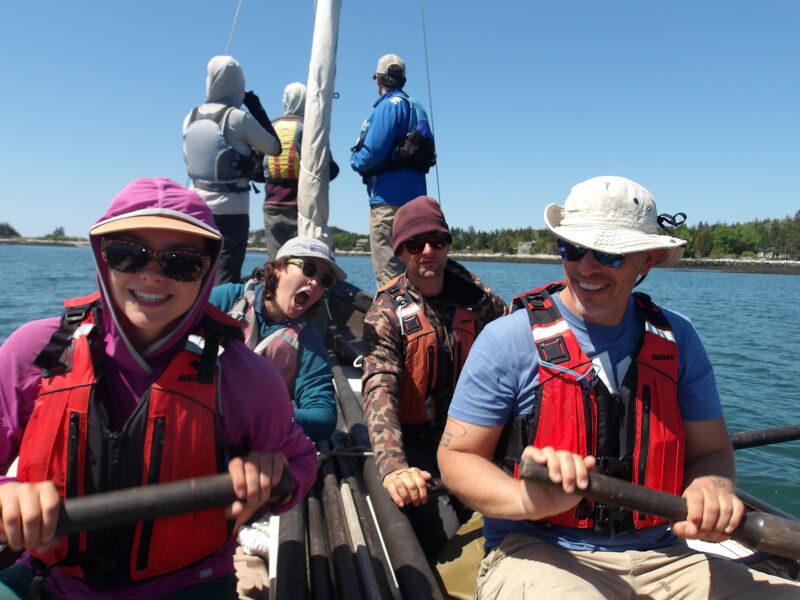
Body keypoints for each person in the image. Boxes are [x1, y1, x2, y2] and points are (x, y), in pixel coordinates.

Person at [437, 176, 800, 599]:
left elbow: (712, 452)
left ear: (646, 260)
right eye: (572, 249)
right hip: (539, 552)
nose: (586, 267)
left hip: (668, 557)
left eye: (608, 253)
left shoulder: (678, 339)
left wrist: (710, 487)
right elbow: (457, 457)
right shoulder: (506, 340)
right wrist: (529, 500)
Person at [0, 177, 318, 600]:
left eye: (181, 261)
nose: (151, 275)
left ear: (207, 270)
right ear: (103, 257)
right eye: (127, 254)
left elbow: (301, 461)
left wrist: (272, 475)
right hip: (48, 577)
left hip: (189, 583)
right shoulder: (34, 351)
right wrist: (7, 494)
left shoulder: (246, 376)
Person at [362, 195, 507, 558]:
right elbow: (380, 387)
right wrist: (394, 466)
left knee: (507, 527)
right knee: (446, 542)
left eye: (437, 241)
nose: (427, 250)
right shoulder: (386, 312)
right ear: (400, 251)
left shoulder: (477, 297)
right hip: (419, 446)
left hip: (472, 435)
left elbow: (519, 337)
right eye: (415, 244)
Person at [210, 235, 344, 599]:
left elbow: (323, 416)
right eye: (310, 269)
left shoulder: (308, 341)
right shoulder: (225, 301)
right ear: (278, 267)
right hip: (196, 441)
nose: (316, 283)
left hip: (252, 456)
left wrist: (258, 419)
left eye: (325, 280)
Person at [183, 55, 281, 285]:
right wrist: (256, 107)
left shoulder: (190, 116)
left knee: (195, 269)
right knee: (226, 272)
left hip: (195, 205)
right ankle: (221, 317)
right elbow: (274, 148)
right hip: (231, 209)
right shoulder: (237, 117)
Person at [350, 54, 435, 288]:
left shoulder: (387, 106)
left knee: (390, 278)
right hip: (417, 206)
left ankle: (395, 323)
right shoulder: (416, 107)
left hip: (388, 204)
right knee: (416, 275)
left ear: (378, 80)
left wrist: (354, 160)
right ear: (402, 79)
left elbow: (371, 154)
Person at [262, 83, 340, 260]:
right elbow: (329, 169)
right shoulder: (310, 130)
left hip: (272, 206)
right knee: (302, 260)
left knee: (276, 262)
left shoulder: (269, 127)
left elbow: (258, 169)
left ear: (285, 100)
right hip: (302, 207)